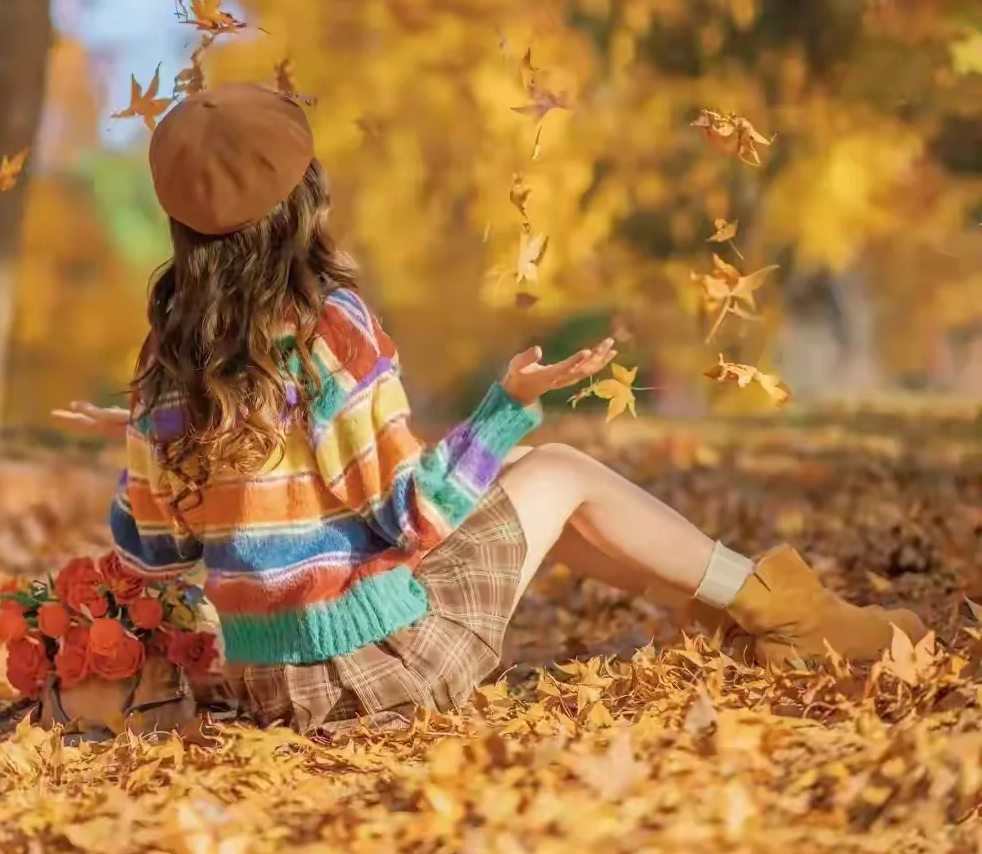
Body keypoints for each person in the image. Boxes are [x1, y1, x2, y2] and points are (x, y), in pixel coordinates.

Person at [55, 83, 925, 732]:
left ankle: (750, 624)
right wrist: (506, 406)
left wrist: (145, 434)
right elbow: (412, 514)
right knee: (557, 469)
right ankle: (797, 619)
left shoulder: (167, 368)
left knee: (522, 483)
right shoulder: (327, 329)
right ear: (300, 202)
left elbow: (152, 558)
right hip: (378, 668)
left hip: (274, 686)